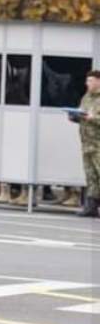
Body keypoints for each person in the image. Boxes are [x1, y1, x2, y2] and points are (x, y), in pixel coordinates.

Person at [70, 70, 100, 217]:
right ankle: (91, 207)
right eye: (87, 80)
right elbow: (83, 115)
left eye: (90, 80)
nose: (87, 83)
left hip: (98, 145)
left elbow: (93, 118)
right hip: (87, 144)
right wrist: (76, 117)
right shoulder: (86, 97)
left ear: (98, 82)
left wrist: (92, 118)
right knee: (91, 176)